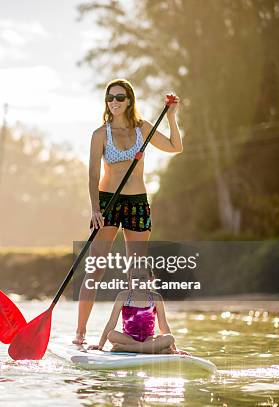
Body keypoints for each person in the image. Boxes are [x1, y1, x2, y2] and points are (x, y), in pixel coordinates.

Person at [74, 78, 183, 345]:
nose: (114, 102)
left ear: (130, 100)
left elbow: (175, 146)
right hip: (108, 203)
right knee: (96, 269)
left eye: (120, 97)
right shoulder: (100, 134)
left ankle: (142, 332)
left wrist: (171, 116)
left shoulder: (142, 128)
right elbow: (92, 175)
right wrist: (95, 209)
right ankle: (80, 333)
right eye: (110, 97)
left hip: (136, 203)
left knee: (137, 271)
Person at [87, 267, 189, 354]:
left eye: (143, 278)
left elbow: (163, 325)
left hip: (148, 339)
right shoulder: (123, 296)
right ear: (129, 280)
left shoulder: (156, 298)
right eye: (134, 278)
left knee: (169, 338)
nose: (138, 281)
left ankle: (129, 349)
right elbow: (112, 322)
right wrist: (100, 345)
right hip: (127, 339)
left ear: (151, 279)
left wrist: (175, 349)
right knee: (111, 334)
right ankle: (150, 349)